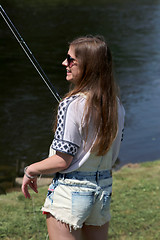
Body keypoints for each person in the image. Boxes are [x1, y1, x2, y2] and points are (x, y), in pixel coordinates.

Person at [22, 35, 125, 240]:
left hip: (71, 193)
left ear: (87, 66)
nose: (64, 63)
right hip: (102, 190)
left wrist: (30, 170)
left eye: (71, 60)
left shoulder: (70, 104)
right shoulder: (116, 105)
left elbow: (63, 160)